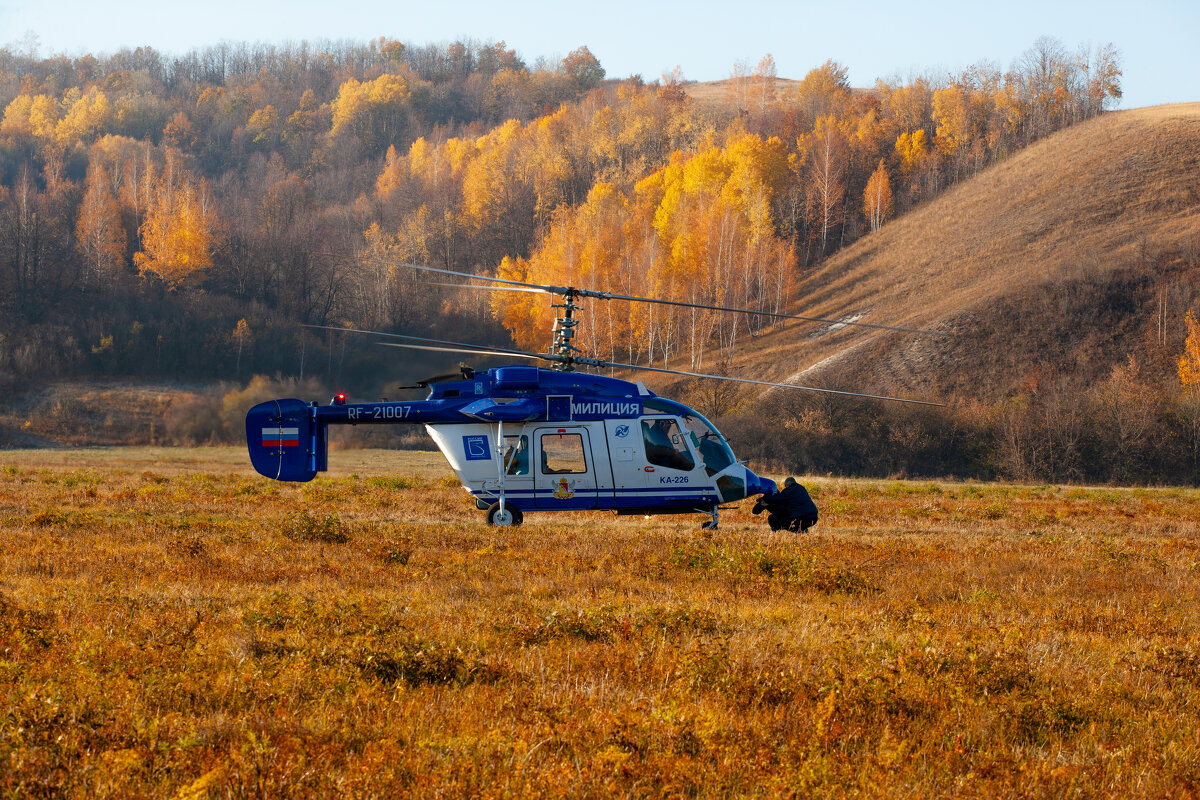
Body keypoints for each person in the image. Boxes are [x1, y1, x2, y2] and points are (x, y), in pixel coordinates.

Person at [753, 477, 818, 532]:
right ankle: (802, 530)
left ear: (788, 485)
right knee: (779, 517)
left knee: (773, 518)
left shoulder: (788, 492)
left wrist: (765, 499)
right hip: (813, 517)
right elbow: (755, 511)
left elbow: (779, 501)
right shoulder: (801, 488)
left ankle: (800, 530)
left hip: (800, 517)